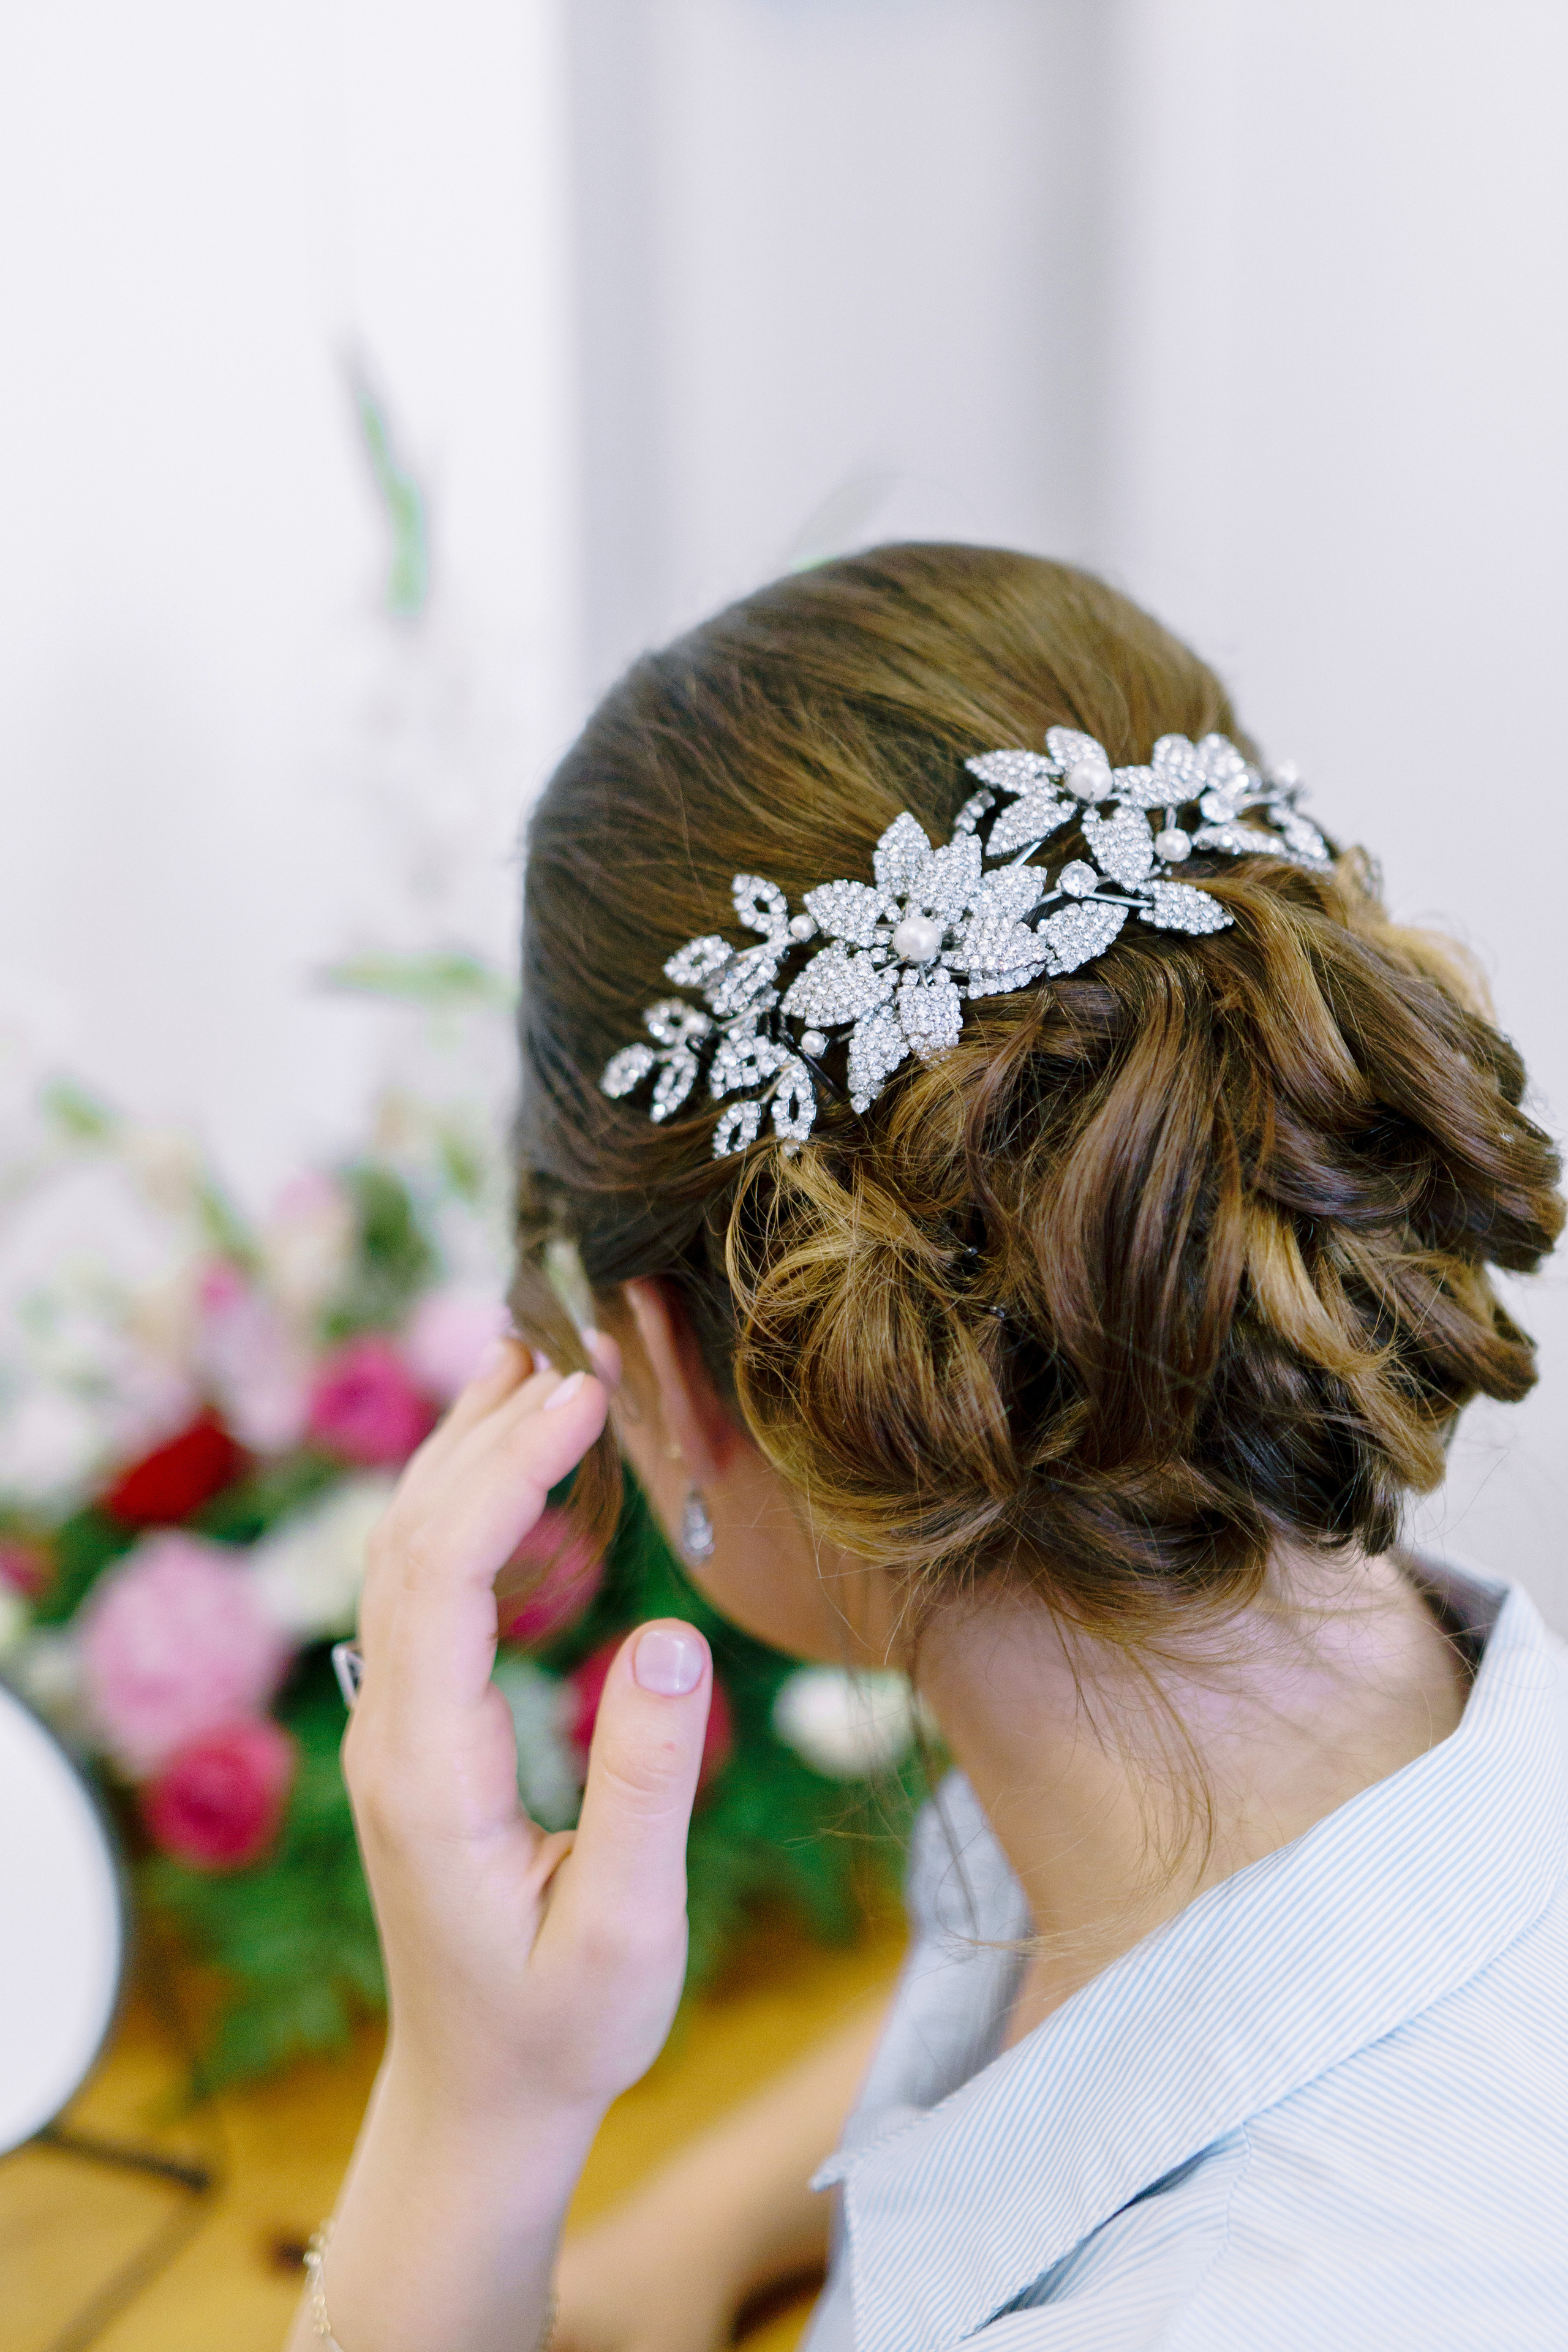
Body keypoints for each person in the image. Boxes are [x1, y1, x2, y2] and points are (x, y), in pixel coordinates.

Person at [288, 548, 1567, 2352]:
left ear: (654, 1364)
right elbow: (1168, 2002)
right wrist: (699, 2222)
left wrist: (471, 2117)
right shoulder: (1382, 1791)